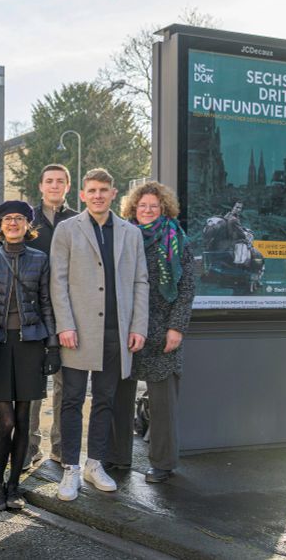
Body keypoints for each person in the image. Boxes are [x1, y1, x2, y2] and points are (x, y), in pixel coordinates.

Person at [50, 168, 148, 502]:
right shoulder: (67, 230)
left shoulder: (130, 233)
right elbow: (57, 281)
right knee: (73, 400)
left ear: (113, 192)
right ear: (82, 194)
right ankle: (71, 469)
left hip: (115, 333)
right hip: (76, 332)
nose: (97, 195)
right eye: (91, 190)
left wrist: (137, 327)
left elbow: (140, 282)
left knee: (106, 400)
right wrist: (64, 324)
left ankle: (94, 464)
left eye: (103, 190)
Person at [107, 181, 195, 483]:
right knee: (120, 396)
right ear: (133, 207)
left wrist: (176, 328)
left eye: (153, 206)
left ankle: (163, 463)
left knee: (163, 403)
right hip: (126, 327)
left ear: (163, 209)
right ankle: (117, 457)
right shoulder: (122, 235)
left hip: (162, 330)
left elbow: (186, 288)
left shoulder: (176, 238)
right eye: (142, 205)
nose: (147, 210)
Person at [0, 201, 59, 511]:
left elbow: (46, 303)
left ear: (28, 225)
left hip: (31, 343)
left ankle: (15, 485)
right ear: (0, 225)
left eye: (19, 219)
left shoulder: (40, 259)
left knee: (25, 418)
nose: (13, 223)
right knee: (7, 419)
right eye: (7, 219)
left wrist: (52, 346)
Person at [28, 163, 78, 468]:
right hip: (33, 312)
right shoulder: (28, 218)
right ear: (41, 185)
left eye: (60, 181)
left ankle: (60, 446)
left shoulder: (77, 220)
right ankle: (30, 446)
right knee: (34, 385)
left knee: (65, 383)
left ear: (68, 186)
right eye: (49, 181)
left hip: (67, 313)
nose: (55, 186)